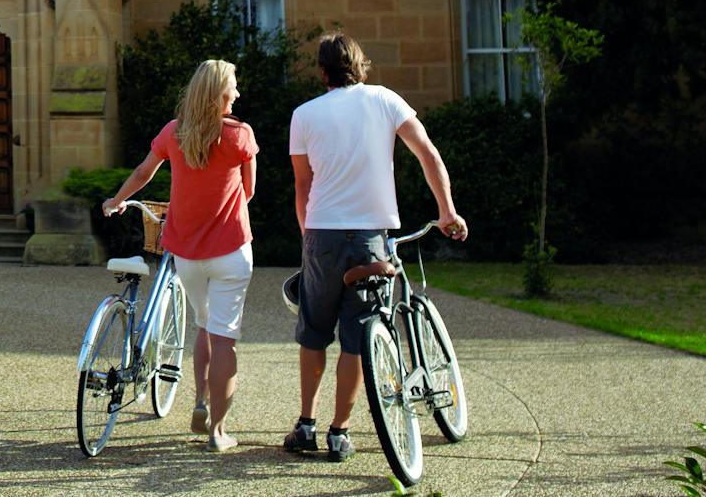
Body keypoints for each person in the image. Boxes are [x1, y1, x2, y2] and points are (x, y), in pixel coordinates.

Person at [283, 33, 467, 462]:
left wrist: (307, 236)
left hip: (322, 234)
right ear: (361, 65)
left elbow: (303, 185)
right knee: (357, 336)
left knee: (313, 332)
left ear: (323, 71)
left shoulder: (304, 114)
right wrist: (447, 211)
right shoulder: (386, 100)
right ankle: (339, 433)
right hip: (372, 239)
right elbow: (428, 153)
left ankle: (306, 424)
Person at [103, 59, 257, 452]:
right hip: (231, 250)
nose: (237, 94)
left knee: (203, 325)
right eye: (233, 88)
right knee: (225, 338)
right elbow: (250, 190)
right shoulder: (240, 135)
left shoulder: (175, 133)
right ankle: (218, 432)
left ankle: (200, 401)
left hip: (186, 254)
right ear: (220, 94)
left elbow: (143, 172)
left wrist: (118, 200)